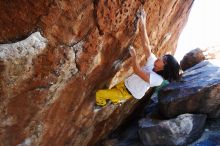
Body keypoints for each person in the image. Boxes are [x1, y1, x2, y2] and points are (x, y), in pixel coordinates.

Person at [96, 9, 180, 106]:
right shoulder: (153, 61)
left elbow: (137, 71)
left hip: (127, 92)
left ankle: (100, 104)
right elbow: (146, 44)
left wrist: (134, 56)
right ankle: (115, 101)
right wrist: (143, 23)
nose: (160, 57)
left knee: (100, 94)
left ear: (165, 67)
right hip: (126, 83)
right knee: (113, 93)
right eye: (163, 56)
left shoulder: (157, 79)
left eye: (164, 60)